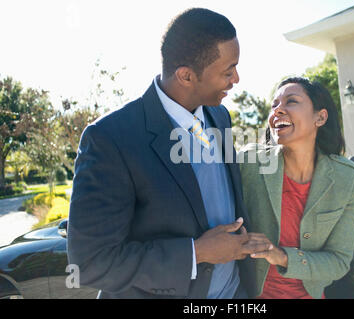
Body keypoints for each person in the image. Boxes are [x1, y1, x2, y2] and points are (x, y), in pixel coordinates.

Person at [67, 8, 269, 299]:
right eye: (228, 71)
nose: (236, 79)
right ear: (186, 76)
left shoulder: (220, 116)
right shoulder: (109, 139)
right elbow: (90, 264)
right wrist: (196, 253)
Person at [238, 77, 354, 299]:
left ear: (320, 117)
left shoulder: (347, 177)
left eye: (291, 101)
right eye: (274, 105)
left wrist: (282, 256)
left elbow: (339, 261)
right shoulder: (249, 163)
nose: (278, 110)